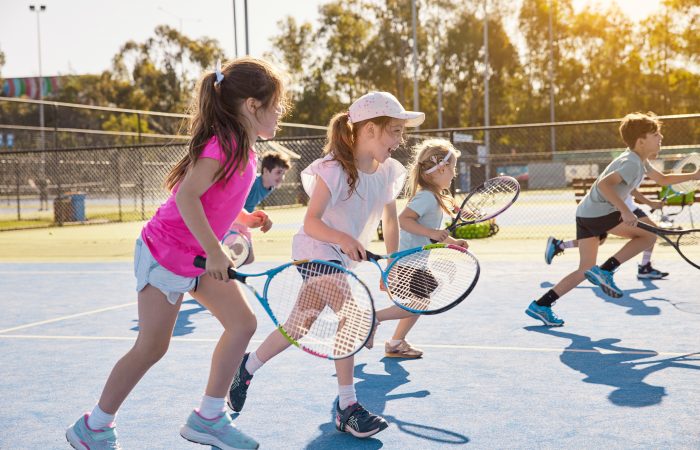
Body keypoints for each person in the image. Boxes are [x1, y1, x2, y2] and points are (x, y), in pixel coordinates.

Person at [66, 57, 290, 450]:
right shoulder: (224, 144)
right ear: (252, 106)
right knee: (152, 347)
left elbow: (212, 199)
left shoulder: (246, 150)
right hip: (165, 252)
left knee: (242, 324)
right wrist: (216, 248)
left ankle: (209, 418)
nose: (280, 113)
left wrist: (244, 218)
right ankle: (94, 426)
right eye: (276, 105)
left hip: (195, 255)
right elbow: (187, 196)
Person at [227, 91, 425, 438]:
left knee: (298, 325)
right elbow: (312, 223)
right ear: (369, 130)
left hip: (340, 259)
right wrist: (344, 239)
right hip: (315, 250)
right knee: (351, 314)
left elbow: (390, 221)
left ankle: (246, 367)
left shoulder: (389, 172)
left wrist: (392, 263)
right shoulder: (332, 169)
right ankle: (347, 407)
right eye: (394, 130)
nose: (399, 140)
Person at [525, 112, 699, 327]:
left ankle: (541, 305)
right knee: (649, 236)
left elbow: (662, 179)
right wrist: (625, 210)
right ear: (641, 140)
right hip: (601, 213)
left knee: (585, 269)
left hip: (586, 213)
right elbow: (604, 185)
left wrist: (692, 176)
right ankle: (607, 270)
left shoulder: (638, 160)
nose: (661, 137)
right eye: (656, 134)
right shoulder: (631, 162)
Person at [386, 138, 468, 359]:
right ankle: (372, 318)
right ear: (440, 169)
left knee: (420, 302)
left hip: (415, 262)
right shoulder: (427, 197)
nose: (454, 174)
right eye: (452, 168)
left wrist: (452, 243)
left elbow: (428, 231)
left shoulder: (434, 197)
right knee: (419, 303)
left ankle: (395, 342)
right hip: (408, 262)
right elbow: (404, 220)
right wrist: (432, 233)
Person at [544, 191, 669, 280]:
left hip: (616, 208)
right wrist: (650, 203)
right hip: (622, 209)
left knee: (598, 240)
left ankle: (559, 245)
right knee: (651, 233)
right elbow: (659, 179)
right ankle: (644, 267)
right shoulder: (635, 162)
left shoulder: (637, 162)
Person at [227, 151, 292, 265]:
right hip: (232, 218)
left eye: (283, 173)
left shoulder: (270, 186)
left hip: (244, 221)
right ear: (266, 171)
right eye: (278, 172)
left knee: (249, 258)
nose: (282, 177)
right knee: (236, 254)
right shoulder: (252, 183)